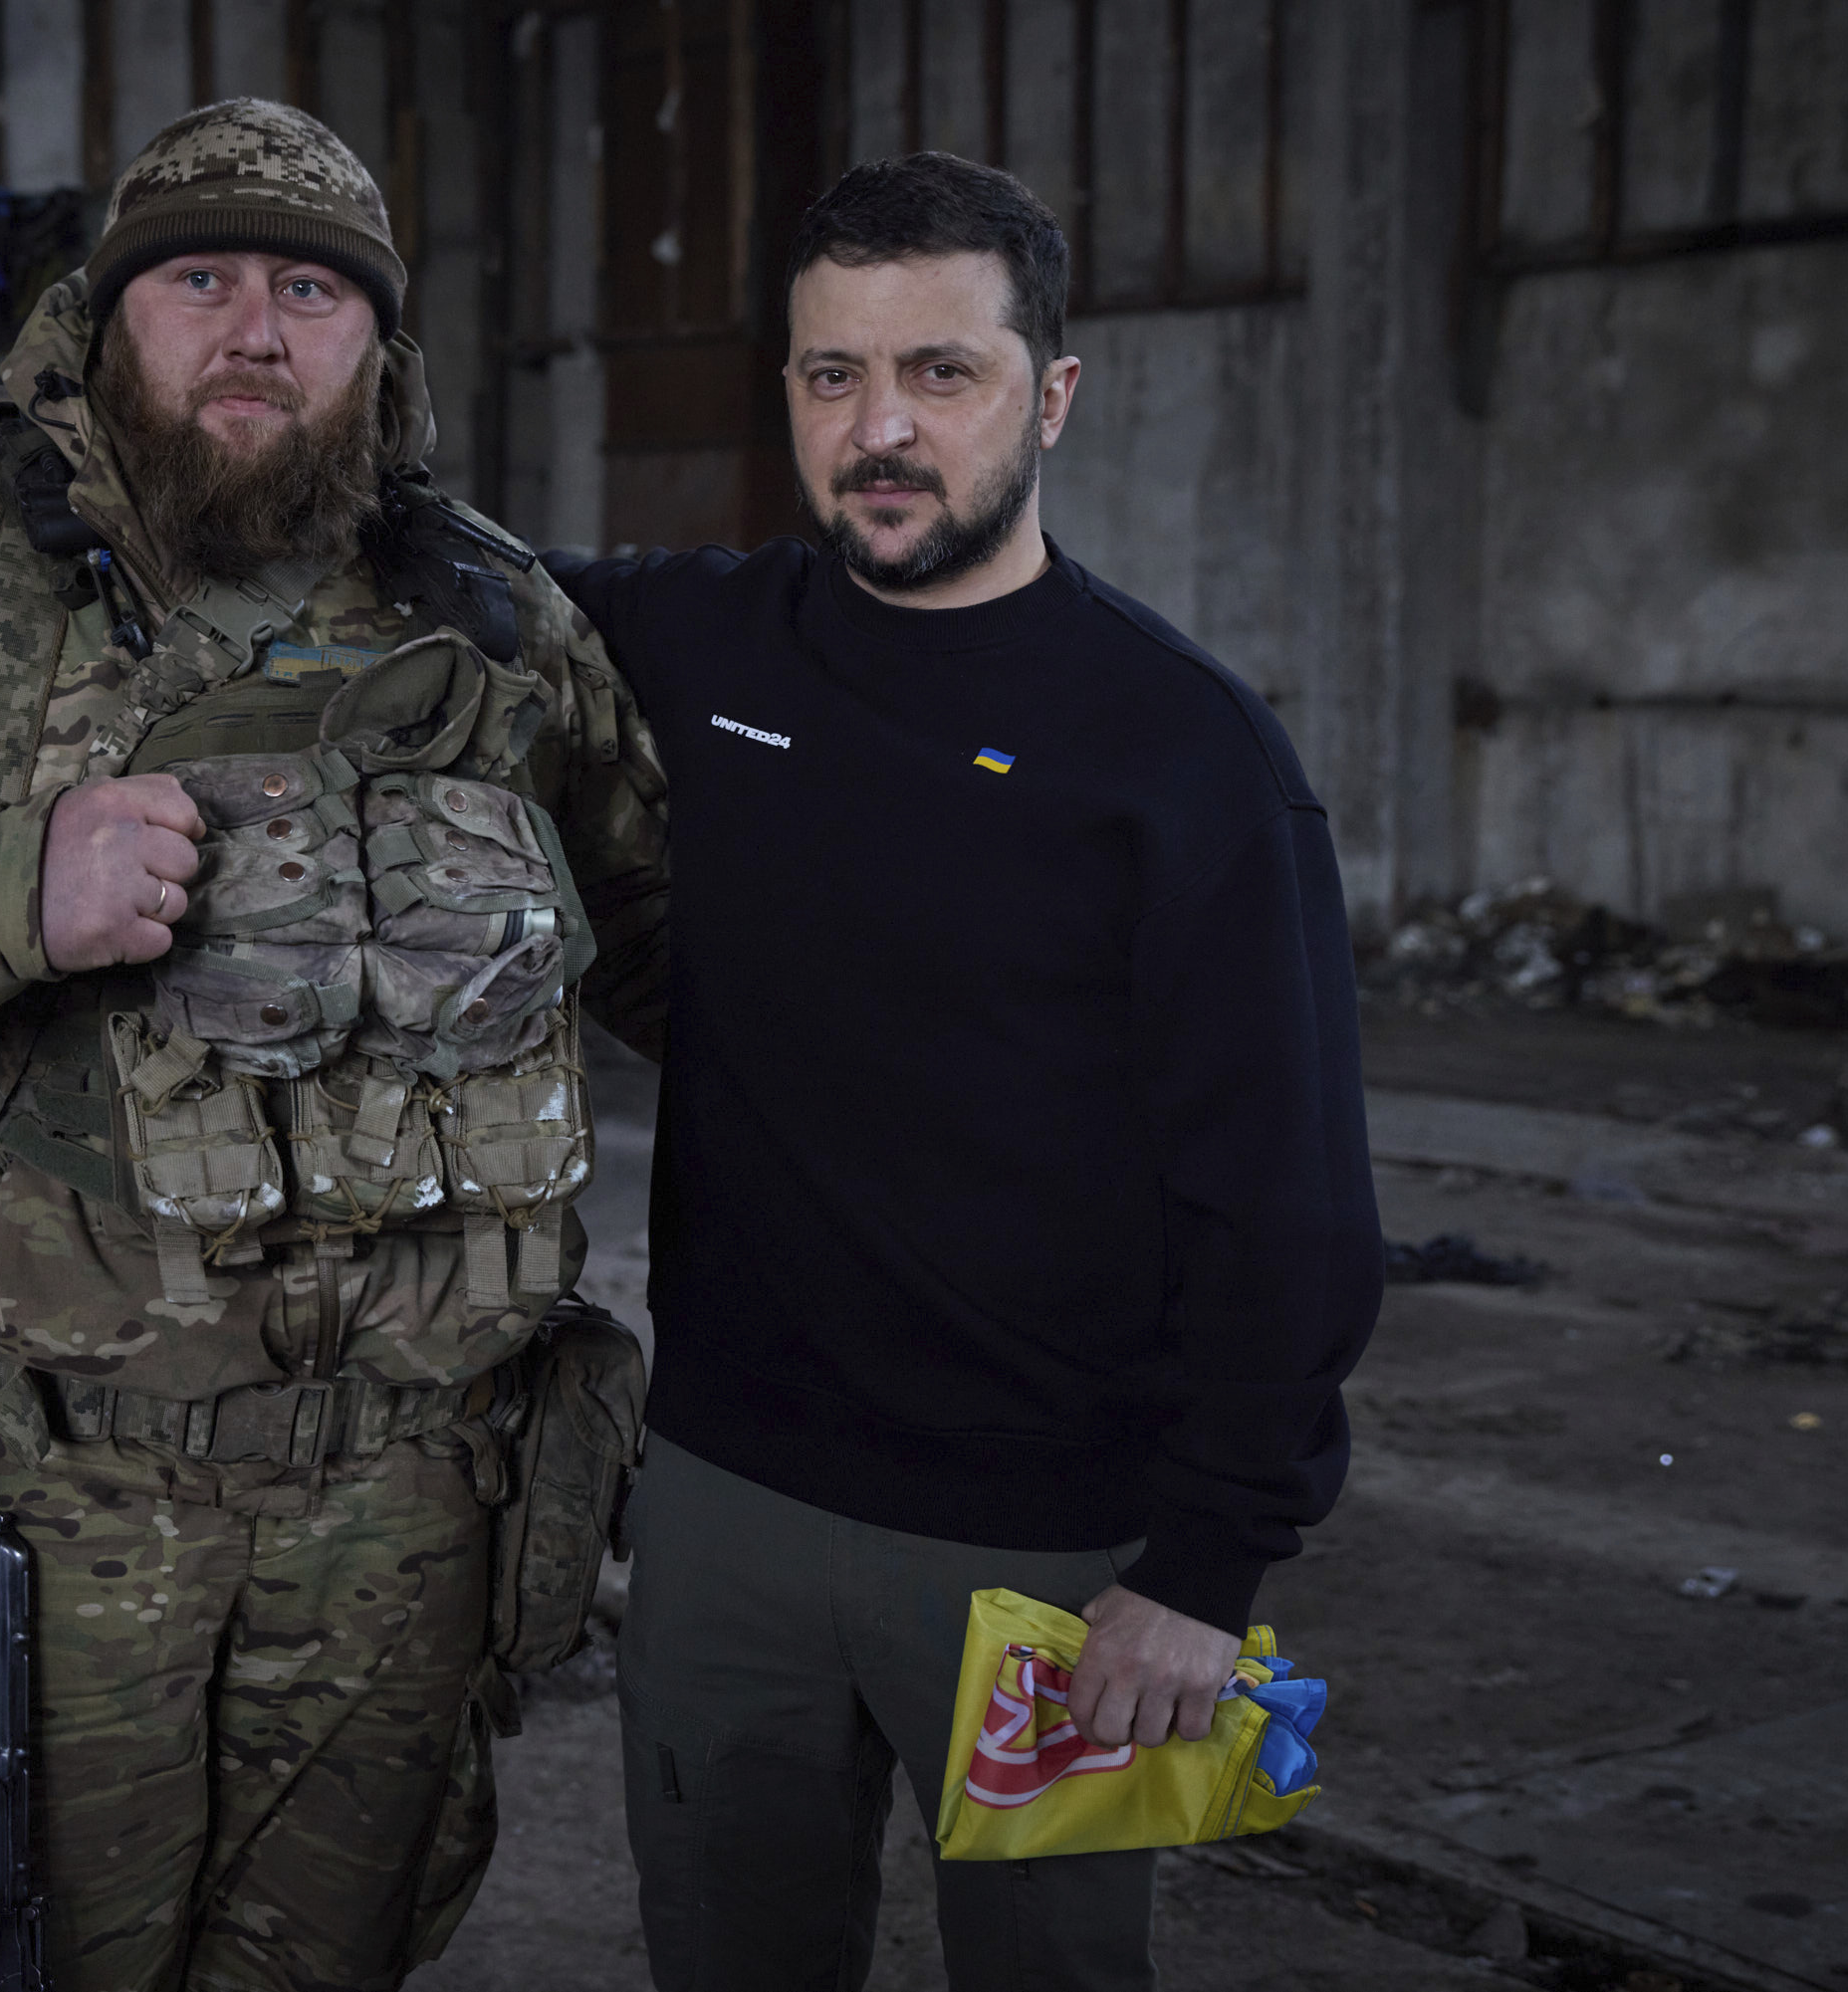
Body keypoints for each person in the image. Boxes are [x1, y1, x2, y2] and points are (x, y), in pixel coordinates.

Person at [0, 100, 670, 1992]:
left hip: (414, 1512)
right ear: (110, 323)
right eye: (201, 278)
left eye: (310, 291)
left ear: (378, 348)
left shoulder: (502, 624)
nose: (256, 326)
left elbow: (678, 955)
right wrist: (11, 886)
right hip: (57, 1492)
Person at [543, 151, 1382, 1992]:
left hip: (1052, 1559)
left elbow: (1295, 1197)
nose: (882, 429)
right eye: (833, 375)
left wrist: (1209, 1564)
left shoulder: (1181, 752)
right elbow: (442, 573)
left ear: (1052, 394)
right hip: (726, 1511)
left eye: (943, 371)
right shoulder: (702, 642)